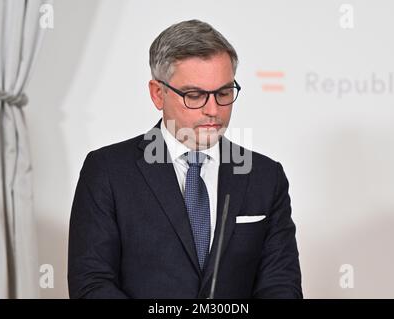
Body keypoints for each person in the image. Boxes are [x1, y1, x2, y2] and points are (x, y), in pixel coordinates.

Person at [68, 19, 302, 299]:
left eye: (224, 93)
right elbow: (92, 285)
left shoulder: (266, 176)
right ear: (158, 93)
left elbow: (280, 286)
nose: (213, 110)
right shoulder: (107, 171)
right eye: (194, 95)